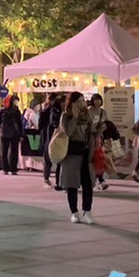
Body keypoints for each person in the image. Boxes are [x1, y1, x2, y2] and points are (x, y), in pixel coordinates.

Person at [59, 90, 95, 224]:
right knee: (72, 184)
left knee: (87, 183)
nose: (81, 104)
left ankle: (87, 211)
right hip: (71, 152)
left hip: (85, 151)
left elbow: (91, 134)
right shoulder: (66, 116)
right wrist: (74, 117)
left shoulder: (87, 115)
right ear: (72, 103)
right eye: (78, 101)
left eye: (82, 101)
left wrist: (92, 151)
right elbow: (68, 132)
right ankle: (74, 212)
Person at [39, 94, 65, 187]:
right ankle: (47, 179)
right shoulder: (52, 111)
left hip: (56, 137)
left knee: (60, 159)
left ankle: (58, 182)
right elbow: (50, 124)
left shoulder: (65, 111)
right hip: (50, 136)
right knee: (48, 158)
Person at [0, 95, 24, 175]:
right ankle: (13, 168)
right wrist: (21, 134)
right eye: (16, 101)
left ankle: (5, 168)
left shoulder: (2, 110)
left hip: (5, 133)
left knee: (4, 151)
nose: (17, 102)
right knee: (14, 151)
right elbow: (19, 123)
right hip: (14, 133)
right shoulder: (16, 111)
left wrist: (0, 129)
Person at [88, 94, 110, 190]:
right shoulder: (89, 111)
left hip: (99, 138)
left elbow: (106, 122)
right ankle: (95, 179)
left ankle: (100, 179)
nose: (97, 102)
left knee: (99, 158)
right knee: (92, 158)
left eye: (99, 100)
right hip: (90, 137)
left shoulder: (103, 112)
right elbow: (88, 124)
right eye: (95, 100)